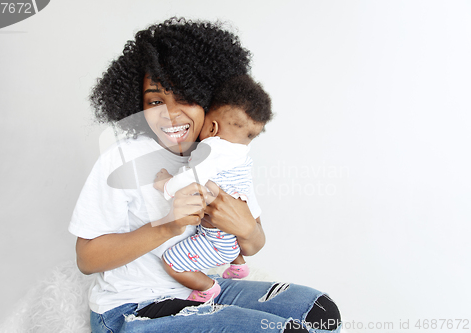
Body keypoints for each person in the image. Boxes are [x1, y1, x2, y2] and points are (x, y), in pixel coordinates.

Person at [70, 17, 341, 332]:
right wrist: (167, 226)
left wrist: (246, 229)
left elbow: (253, 243)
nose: (170, 114)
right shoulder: (122, 158)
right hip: (131, 307)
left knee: (320, 313)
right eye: (155, 100)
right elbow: (87, 259)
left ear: (209, 97)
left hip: (201, 290)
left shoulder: (224, 155)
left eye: (185, 97)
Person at [153, 75, 273, 302]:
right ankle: (238, 264)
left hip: (215, 240)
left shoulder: (211, 147)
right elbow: (249, 201)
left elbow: (192, 176)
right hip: (233, 240)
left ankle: (208, 288)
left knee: (171, 262)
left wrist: (166, 184)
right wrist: (251, 221)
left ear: (212, 126)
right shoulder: (243, 158)